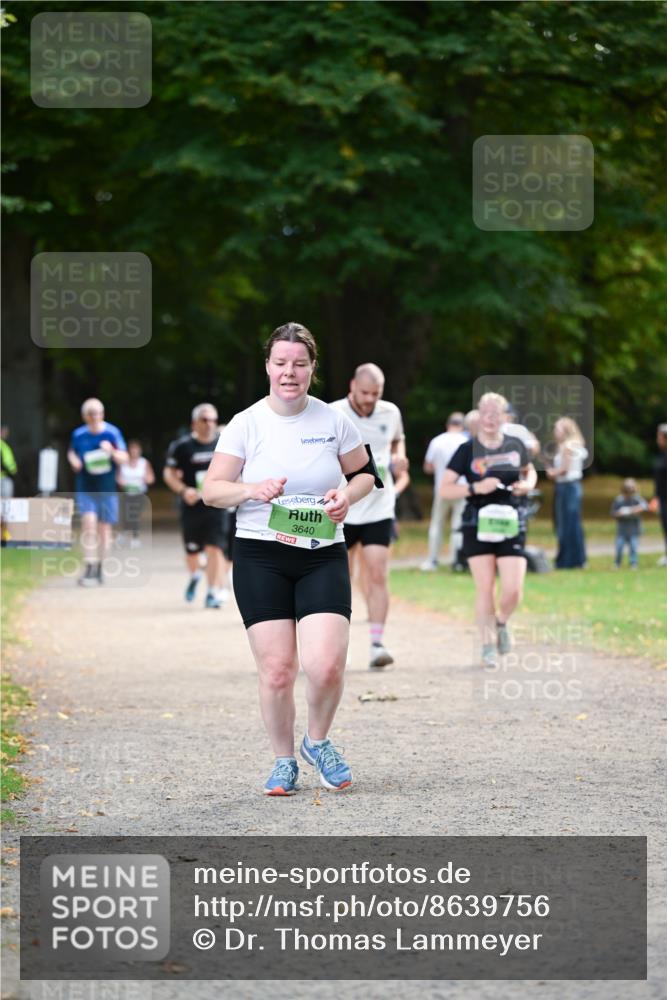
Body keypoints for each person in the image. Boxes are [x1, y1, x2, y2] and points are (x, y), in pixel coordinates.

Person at [202, 322, 376, 796]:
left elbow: (365, 475)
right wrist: (250, 490)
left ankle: (317, 743)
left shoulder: (334, 420)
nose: (289, 372)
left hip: (322, 554)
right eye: (280, 363)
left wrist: (347, 495)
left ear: (312, 368)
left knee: (325, 666)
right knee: (278, 669)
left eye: (299, 364)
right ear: (268, 366)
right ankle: (283, 761)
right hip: (262, 556)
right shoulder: (247, 422)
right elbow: (211, 491)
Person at [440, 392, 537, 667]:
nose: (491, 418)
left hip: (511, 520)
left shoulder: (516, 444)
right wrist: (474, 487)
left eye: (497, 413)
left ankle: (501, 622)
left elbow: (530, 471)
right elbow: (445, 489)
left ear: (505, 417)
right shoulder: (466, 450)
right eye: (486, 413)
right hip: (476, 523)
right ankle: (486, 646)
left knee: (512, 590)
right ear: (479, 416)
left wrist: (527, 484)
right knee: (485, 588)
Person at [330, 364, 408, 670]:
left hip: (379, 505)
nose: (369, 400)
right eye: (364, 393)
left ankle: (377, 644)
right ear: (352, 386)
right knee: (341, 579)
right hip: (343, 506)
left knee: (377, 573)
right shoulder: (333, 412)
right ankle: (339, 644)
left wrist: (400, 456)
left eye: (376, 394)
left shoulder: (391, 412)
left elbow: (397, 439)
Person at [164, 403, 232, 609]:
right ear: (194, 423)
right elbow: (169, 473)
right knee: (193, 552)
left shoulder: (225, 444)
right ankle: (195, 574)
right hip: (192, 506)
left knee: (215, 548)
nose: (209, 423)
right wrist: (184, 490)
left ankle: (212, 592)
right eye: (204, 419)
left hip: (218, 506)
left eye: (213, 419)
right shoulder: (181, 446)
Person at [67, 399, 128, 586]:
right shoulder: (78, 434)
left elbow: (124, 458)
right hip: (86, 486)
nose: (94, 417)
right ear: (85, 416)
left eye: (98, 413)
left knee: (104, 529)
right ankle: (89, 567)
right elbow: (71, 452)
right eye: (91, 413)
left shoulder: (112, 432)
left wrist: (111, 451)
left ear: (103, 414)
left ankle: (100, 567)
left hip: (107, 488)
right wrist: (74, 461)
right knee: (88, 524)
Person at [420, 412, 467, 571]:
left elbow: (428, 467)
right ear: (462, 426)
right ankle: (457, 561)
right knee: (458, 526)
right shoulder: (465, 441)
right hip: (461, 489)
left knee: (437, 524)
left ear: (448, 424)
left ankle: (432, 560)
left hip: (442, 488)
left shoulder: (437, 441)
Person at [546, 417, 588, 569]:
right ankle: (576, 558)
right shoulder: (574, 445)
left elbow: (564, 470)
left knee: (566, 524)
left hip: (567, 487)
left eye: (557, 429)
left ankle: (568, 560)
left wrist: (552, 473)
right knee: (572, 523)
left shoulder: (568, 447)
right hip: (571, 487)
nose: (555, 432)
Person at [117, 440, 155, 547]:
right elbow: (118, 478)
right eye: (132, 449)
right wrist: (123, 483)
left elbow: (151, 478)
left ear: (139, 451)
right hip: (127, 493)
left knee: (134, 514)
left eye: (136, 449)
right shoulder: (123, 462)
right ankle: (125, 533)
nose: (134, 451)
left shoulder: (144, 463)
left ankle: (135, 537)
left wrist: (146, 479)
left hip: (140, 494)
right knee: (126, 515)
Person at [611, 478, 648, 570]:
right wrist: (620, 513)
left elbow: (645, 506)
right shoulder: (618, 500)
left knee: (633, 548)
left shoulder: (637, 499)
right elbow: (613, 513)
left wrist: (632, 510)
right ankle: (617, 563)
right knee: (619, 548)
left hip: (634, 530)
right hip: (622, 530)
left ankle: (633, 563)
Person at [652, 423, 667, 566]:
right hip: (662, 498)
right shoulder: (661, 455)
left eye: (660, 437)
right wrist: (656, 497)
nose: (658, 440)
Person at [0, 426, 17, 499]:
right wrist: (14, 471)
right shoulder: (3, 446)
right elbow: (10, 465)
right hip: (3, 479)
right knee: (6, 504)